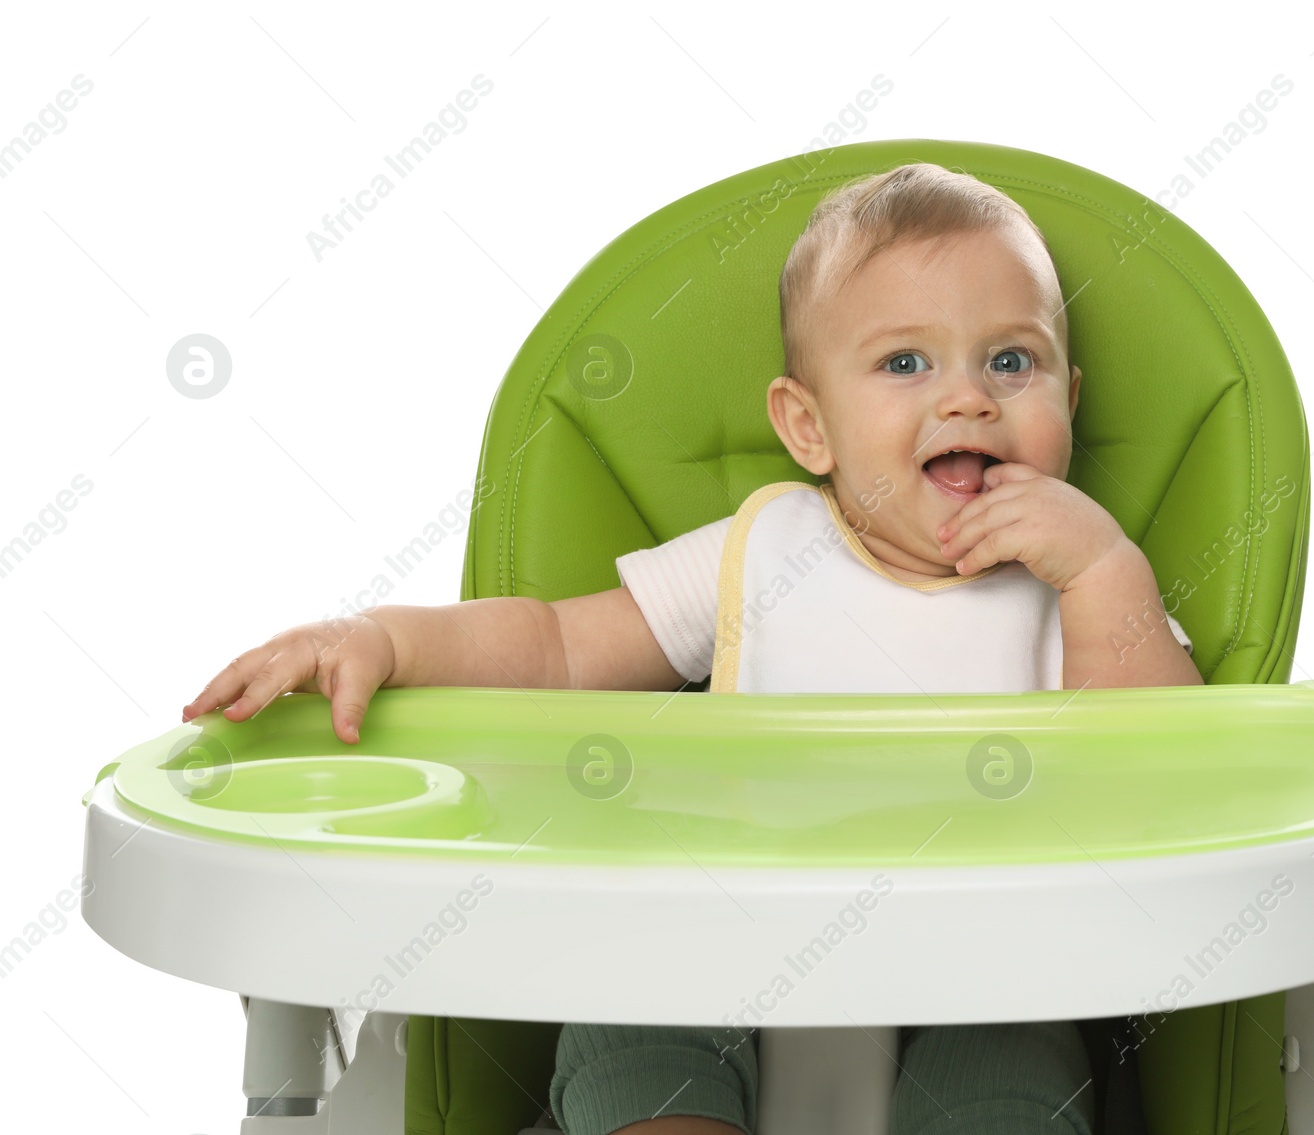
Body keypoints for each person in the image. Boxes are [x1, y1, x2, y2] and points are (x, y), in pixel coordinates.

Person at [184, 162, 1203, 1135]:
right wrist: (383, 639)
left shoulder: (1078, 588)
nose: (969, 398)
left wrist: (1105, 567)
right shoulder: (764, 551)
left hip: (989, 980)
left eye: (1010, 361)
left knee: (1012, 1083)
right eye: (905, 362)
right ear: (808, 426)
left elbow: (1170, 773)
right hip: (717, 953)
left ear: (1067, 400)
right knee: (633, 1025)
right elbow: (556, 647)